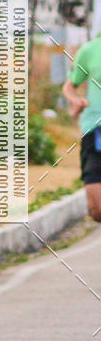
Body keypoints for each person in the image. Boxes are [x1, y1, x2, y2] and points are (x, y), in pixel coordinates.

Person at [62, 35, 101, 221]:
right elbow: (70, 86)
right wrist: (76, 100)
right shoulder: (89, 50)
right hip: (95, 131)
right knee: (97, 209)